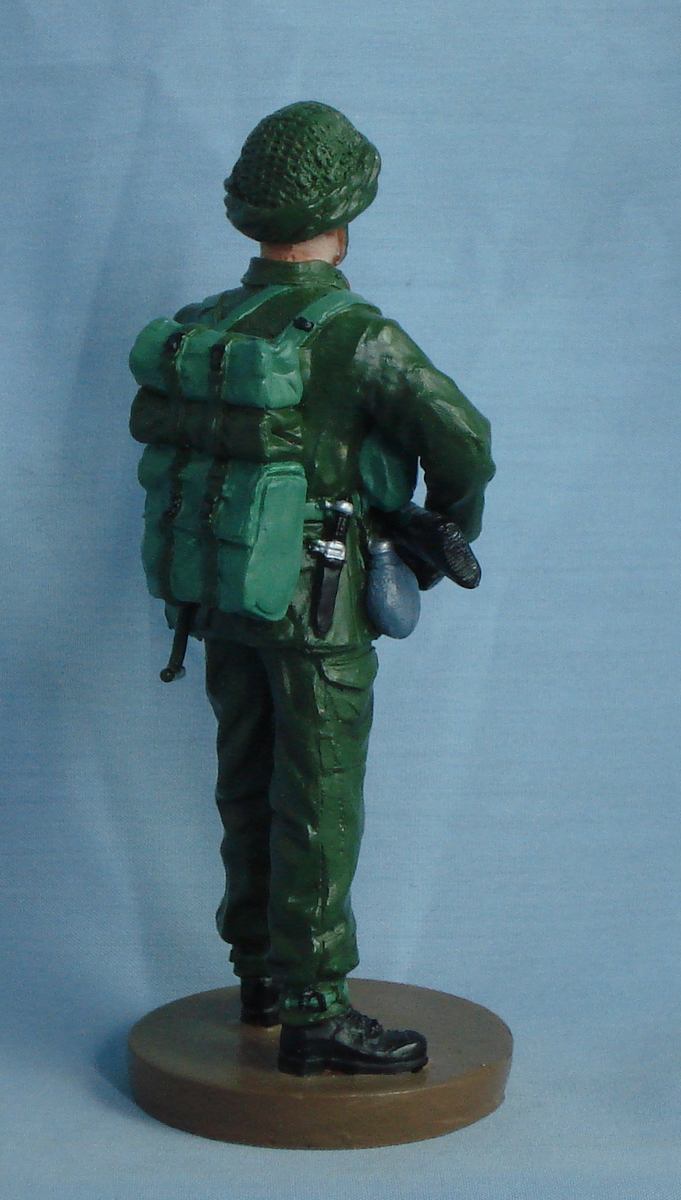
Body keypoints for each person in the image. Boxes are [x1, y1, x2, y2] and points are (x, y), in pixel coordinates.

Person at [129, 101, 495, 1077]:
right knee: (319, 798)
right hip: (321, 605)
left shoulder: (209, 325)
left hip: (220, 593)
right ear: (343, 215)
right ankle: (316, 1010)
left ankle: (259, 971)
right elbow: (465, 444)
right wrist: (437, 537)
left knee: (245, 784)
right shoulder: (359, 335)